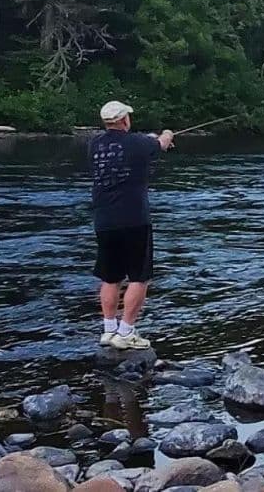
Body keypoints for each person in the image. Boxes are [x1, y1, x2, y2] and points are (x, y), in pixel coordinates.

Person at [90, 101, 174, 350]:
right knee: (140, 277)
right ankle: (126, 332)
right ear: (125, 120)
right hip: (134, 219)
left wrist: (148, 140)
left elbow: (125, 147)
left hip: (103, 220)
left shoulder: (94, 144)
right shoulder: (138, 143)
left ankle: (109, 330)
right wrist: (167, 134)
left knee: (110, 276)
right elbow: (161, 144)